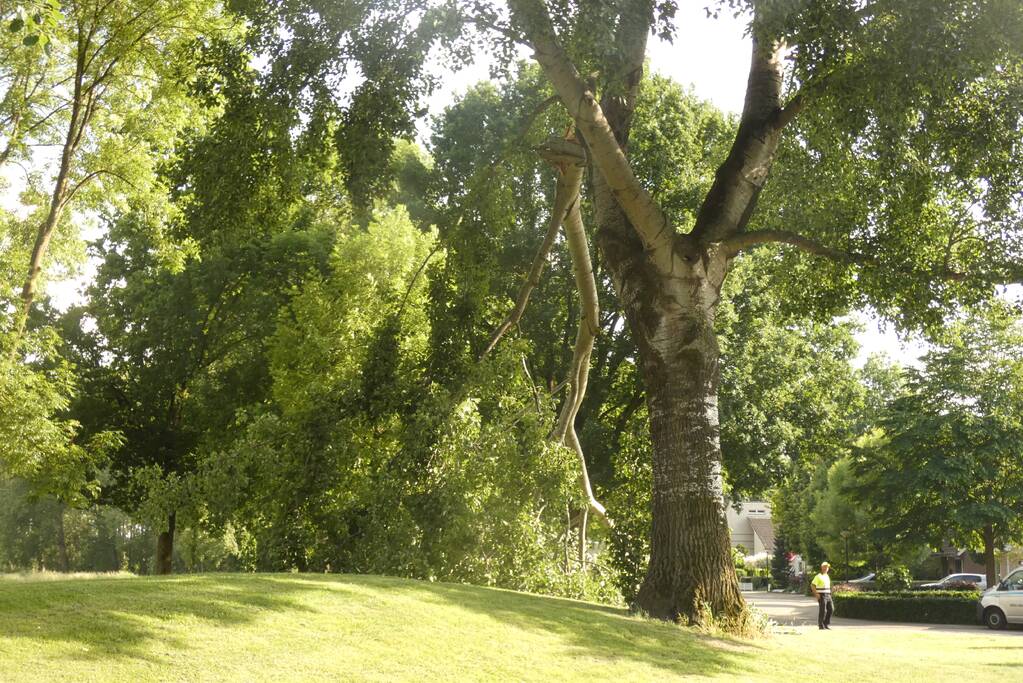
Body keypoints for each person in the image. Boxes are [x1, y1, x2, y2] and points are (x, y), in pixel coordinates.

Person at [811, 561, 833, 630]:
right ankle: (821, 625)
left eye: (827, 567)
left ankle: (825, 623)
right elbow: (812, 585)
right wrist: (816, 594)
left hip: (828, 595)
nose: (826, 568)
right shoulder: (818, 576)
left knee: (831, 609)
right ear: (822, 567)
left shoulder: (827, 576)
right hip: (822, 595)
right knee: (823, 610)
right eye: (825, 567)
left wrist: (830, 593)